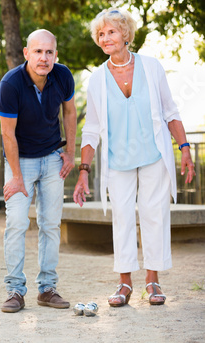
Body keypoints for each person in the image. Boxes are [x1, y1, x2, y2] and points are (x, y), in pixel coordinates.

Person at [73, 8, 195, 307]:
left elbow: (170, 112)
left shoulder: (151, 67)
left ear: (125, 34)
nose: (105, 38)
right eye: (101, 34)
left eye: (111, 32)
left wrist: (185, 148)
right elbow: (91, 129)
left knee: (155, 215)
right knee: (122, 218)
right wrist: (84, 171)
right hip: (118, 161)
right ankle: (124, 283)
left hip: (153, 156)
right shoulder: (98, 79)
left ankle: (153, 281)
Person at [0, 29, 77, 313]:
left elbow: (69, 112)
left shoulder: (63, 76)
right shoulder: (11, 84)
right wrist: (17, 176)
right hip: (20, 161)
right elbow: (8, 135)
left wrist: (70, 152)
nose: (44, 58)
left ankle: (47, 288)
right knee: (17, 224)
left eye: (49, 52)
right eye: (38, 52)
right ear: (27, 53)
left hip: (53, 157)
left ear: (55, 54)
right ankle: (15, 291)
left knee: (51, 224)